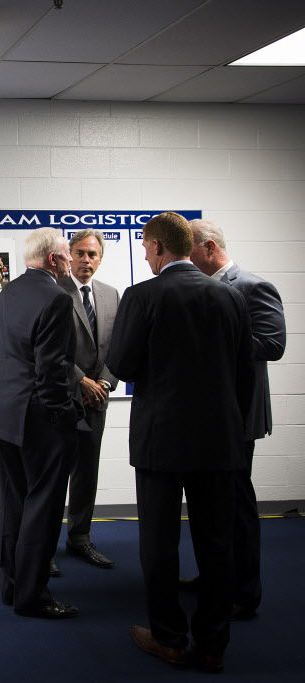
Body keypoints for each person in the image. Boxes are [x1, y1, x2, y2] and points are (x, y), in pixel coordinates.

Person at [106, 212, 254, 673]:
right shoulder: (229, 297)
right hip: (219, 442)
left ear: (155, 247)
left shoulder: (143, 295)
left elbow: (125, 364)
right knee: (216, 542)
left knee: (160, 541)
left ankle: (169, 637)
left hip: (161, 442)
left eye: (147, 248)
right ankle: (212, 645)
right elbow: (244, 373)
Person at [187, 218, 286, 620]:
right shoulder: (202, 289)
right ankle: (213, 578)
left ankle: (245, 592)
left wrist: (216, 336)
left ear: (209, 248)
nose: (185, 260)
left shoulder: (251, 286)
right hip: (206, 414)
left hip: (238, 414)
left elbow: (273, 344)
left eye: (189, 251)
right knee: (207, 503)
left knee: (235, 504)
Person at [0, 228, 83, 619]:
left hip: (4, 414)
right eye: (67, 256)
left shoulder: (7, 292)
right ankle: (34, 597)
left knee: (13, 503)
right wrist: (64, 418)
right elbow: (52, 371)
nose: (71, 263)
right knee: (43, 507)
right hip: (40, 418)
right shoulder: (56, 298)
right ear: (55, 259)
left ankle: (11, 587)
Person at [52, 230, 120, 572]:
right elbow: (50, 350)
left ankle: (79, 538)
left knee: (86, 474)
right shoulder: (54, 292)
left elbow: (116, 347)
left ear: (100, 258)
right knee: (54, 475)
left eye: (92, 254)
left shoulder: (111, 295)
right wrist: (81, 382)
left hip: (97, 402)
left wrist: (104, 384)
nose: (86, 260)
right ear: (69, 255)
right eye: (80, 253)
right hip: (62, 399)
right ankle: (44, 549)